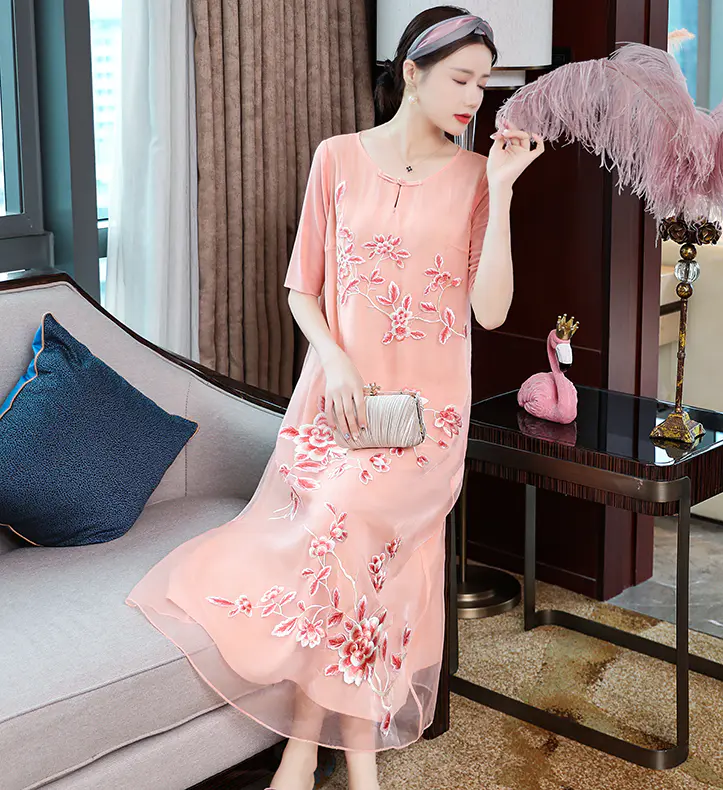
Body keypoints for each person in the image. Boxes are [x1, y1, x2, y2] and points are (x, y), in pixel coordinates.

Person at [125, 5, 544, 790]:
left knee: (346, 525)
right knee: (353, 548)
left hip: (425, 422)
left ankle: (306, 750)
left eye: (484, 83)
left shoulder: (474, 179)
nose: (475, 98)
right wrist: (338, 363)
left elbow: (491, 311)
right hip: (338, 405)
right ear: (411, 72)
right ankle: (352, 762)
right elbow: (302, 289)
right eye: (461, 79)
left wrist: (503, 189)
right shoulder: (338, 158)